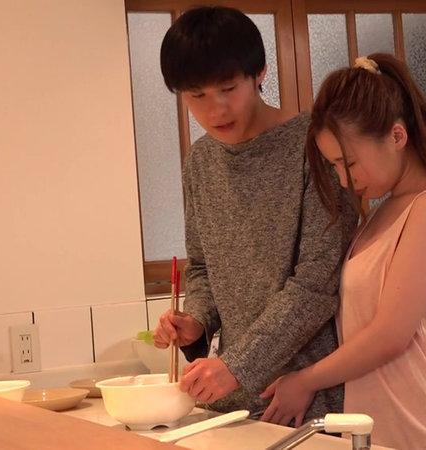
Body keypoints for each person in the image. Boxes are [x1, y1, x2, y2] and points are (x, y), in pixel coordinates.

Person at [258, 53, 426, 449]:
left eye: (349, 163)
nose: (344, 179)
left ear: (397, 136)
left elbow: (391, 335)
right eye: (334, 166)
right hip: (386, 423)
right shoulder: (379, 213)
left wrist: (305, 380)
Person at [151, 6, 357, 422]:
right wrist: (196, 320)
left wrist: (237, 365)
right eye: (197, 96)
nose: (216, 110)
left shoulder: (313, 146)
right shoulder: (200, 162)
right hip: (230, 402)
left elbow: (317, 284)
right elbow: (203, 268)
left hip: (308, 396)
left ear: (260, 72)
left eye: (228, 88)